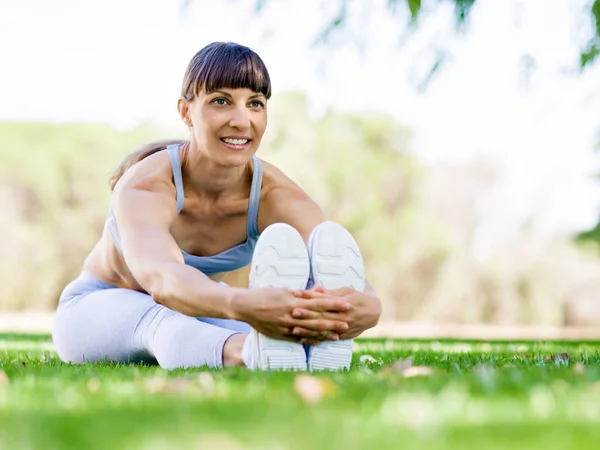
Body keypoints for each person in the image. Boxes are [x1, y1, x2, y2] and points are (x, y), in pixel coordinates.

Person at [52, 42, 382, 371]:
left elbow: (356, 284)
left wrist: (351, 309)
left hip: (197, 307)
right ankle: (250, 354)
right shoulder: (147, 186)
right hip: (94, 310)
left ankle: (298, 348)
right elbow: (163, 281)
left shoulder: (275, 194)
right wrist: (249, 304)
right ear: (186, 112)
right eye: (221, 101)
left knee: (247, 325)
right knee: (164, 320)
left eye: (255, 104)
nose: (241, 121)